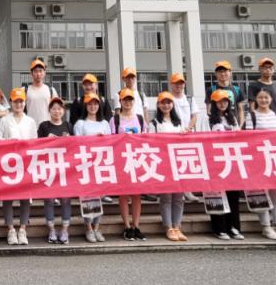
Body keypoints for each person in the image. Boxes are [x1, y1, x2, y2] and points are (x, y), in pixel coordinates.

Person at [243, 89, 276, 240]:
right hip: (259, 159)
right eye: (260, 97)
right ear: (256, 99)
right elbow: (249, 137)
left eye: (266, 97)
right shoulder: (251, 115)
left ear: (271, 99)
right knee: (262, 194)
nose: (263, 100)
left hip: (275, 158)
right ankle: (266, 226)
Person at [0, 87, 38, 245]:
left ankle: (23, 229)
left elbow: (35, 142)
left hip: (25, 164)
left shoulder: (30, 121)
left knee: (25, 198)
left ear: (25, 103)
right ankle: (11, 229)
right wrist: (8, 142)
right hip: (8, 164)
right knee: (8, 198)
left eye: (21, 101)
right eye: (16, 101)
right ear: (11, 102)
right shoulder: (4, 120)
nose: (18, 104)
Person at [152, 92, 190, 242]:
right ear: (158, 105)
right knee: (166, 197)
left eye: (168, 102)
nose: (166, 105)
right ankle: (168, 227)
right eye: (163, 102)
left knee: (179, 197)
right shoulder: (154, 123)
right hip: (163, 163)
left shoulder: (178, 122)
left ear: (173, 104)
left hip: (178, 162)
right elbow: (150, 143)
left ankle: (177, 226)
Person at [207, 90, 244, 240]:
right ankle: (219, 228)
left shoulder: (232, 118)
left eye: (225, 101)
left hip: (232, 160)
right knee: (217, 194)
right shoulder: (208, 119)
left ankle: (234, 226)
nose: (222, 104)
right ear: (213, 103)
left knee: (233, 196)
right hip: (215, 160)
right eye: (219, 101)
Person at [72, 93, 109, 243]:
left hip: (101, 164)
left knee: (99, 197)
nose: (93, 106)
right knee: (87, 197)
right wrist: (93, 139)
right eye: (89, 104)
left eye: (95, 104)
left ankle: (97, 227)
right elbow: (77, 144)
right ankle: (88, 228)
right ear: (85, 106)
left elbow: (111, 143)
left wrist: (102, 140)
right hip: (86, 165)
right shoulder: (80, 124)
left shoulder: (105, 123)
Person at [112, 88, 147, 241]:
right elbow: (111, 140)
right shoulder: (115, 120)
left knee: (137, 194)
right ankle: (126, 226)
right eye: (125, 99)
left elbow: (145, 137)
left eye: (130, 99)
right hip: (121, 160)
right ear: (120, 101)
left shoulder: (140, 119)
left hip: (137, 159)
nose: (127, 102)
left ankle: (136, 226)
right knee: (123, 194)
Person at [39, 95, 72, 244]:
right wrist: (47, 139)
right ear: (49, 110)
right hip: (49, 168)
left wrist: (69, 139)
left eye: (59, 108)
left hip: (65, 169)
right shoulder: (44, 126)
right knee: (49, 199)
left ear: (63, 111)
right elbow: (36, 146)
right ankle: (51, 229)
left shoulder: (68, 126)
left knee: (66, 199)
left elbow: (75, 147)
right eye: (54, 109)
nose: (57, 111)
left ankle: (64, 230)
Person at [209, 61, 246, 127]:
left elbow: (241, 110)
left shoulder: (237, 90)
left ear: (230, 72)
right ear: (216, 74)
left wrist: (240, 127)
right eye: (220, 71)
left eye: (225, 71)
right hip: (216, 126)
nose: (222, 74)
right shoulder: (211, 90)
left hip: (234, 126)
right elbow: (209, 111)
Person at [25, 58, 59, 124]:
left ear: (44, 72)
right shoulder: (25, 90)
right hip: (30, 126)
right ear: (31, 73)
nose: (38, 74)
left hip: (47, 127)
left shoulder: (51, 90)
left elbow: (56, 109)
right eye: (35, 71)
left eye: (40, 71)